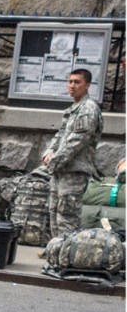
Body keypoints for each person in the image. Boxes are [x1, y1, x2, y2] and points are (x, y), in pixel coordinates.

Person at [42, 68, 103, 239]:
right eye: (70, 82)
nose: (72, 86)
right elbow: (60, 135)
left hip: (74, 172)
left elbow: (77, 141)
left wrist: (55, 160)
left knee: (67, 216)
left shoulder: (88, 109)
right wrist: (49, 152)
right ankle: (56, 252)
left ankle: (66, 256)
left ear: (87, 85)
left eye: (77, 82)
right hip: (60, 170)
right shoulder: (73, 108)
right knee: (54, 213)